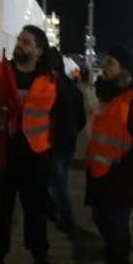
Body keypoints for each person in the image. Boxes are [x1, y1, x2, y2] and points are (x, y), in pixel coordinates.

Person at [0, 25, 62, 264]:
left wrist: (54, 146)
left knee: (36, 210)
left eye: (26, 42)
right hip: (0, 155)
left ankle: (39, 257)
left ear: (39, 50)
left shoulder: (51, 79)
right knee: (0, 210)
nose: (19, 45)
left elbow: (66, 115)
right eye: (19, 40)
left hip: (35, 157)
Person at [86, 46, 133, 264]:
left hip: (121, 177)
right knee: (101, 220)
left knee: (118, 225)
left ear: (123, 69)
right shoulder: (106, 95)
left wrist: (121, 169)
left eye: (110, 62)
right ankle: (112, 262)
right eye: (105, 61)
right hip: (100, 173)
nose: (104, 65)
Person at [48, 48, 87, 232]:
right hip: (68, 143)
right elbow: (82, 120)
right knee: (60, 180)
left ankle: (67, 217)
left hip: (53, 143)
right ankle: (55, 210)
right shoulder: (73, 88)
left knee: (55, 183)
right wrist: (71, 132)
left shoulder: (49, 86)